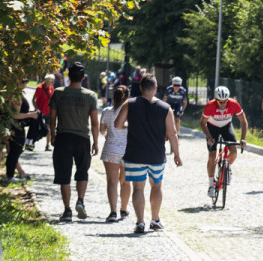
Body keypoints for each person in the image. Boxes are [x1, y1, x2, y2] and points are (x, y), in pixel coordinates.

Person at [114, 74, 182, 233]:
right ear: (156, 89)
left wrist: (129, 126)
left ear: (140, 88)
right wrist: (177, 155)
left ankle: (140, 222)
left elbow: (118, 124)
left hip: (135, 154)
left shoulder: (129, 104)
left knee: (138, 188)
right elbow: (172, 133)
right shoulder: (166, 108)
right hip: (156, 155)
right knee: (156, 186)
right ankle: (155, 220)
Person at [49, 62, 99, 222]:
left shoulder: (58, 93)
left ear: (68, 76)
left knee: (64, 175)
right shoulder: (90, 96)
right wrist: (96, 142)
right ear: (83, 77)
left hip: (63, 137)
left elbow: (52, 118)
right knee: (82, 172)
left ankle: (67, 210)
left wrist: (53, 135)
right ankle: (81, 200)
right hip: (82, 138)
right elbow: (95, 122)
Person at [200, 86, 248, 197]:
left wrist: (243, 138)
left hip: (226, 126)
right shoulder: (210, 106)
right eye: (220, 102)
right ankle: (211, 185)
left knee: (234, 151)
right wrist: (209, 137)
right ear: (215, 100)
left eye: (225, 101)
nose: (223, 104)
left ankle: (226, 168)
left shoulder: (234, 104)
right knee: (212, 156)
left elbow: (244, 122)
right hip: (212, 128)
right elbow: (203, 124)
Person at [100, 85, 131, 222]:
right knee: (125, 181)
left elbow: (102, 130)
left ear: (113, 97)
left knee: (111, 181)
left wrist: (109, 136)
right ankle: (123, 210)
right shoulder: (130, 112)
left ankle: (112, 212)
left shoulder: (106, 111)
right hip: (127, 150)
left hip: (110, 149)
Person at [5, 79, 41, 183]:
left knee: (15, 150)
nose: (26, 83)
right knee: (15, 150)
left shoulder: (17, 94)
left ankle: (10, 175)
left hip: (17, 126)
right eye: (24, 81)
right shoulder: (16, 96)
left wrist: (30, 114)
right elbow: (15, 115)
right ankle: (9, 176)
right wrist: (31, 115)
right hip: (16, 127)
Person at [32, 73, 55, 151]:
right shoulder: (39, 88)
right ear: (46, 81)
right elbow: (34, 99)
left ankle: (47, 145)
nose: (53, 83)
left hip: (48, 112)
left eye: (53, 81)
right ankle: (32, 143)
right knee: (37, 128)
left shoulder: (52, 88)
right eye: (51, 81)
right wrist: (36, 109)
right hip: (40, 112)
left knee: (49, 129)